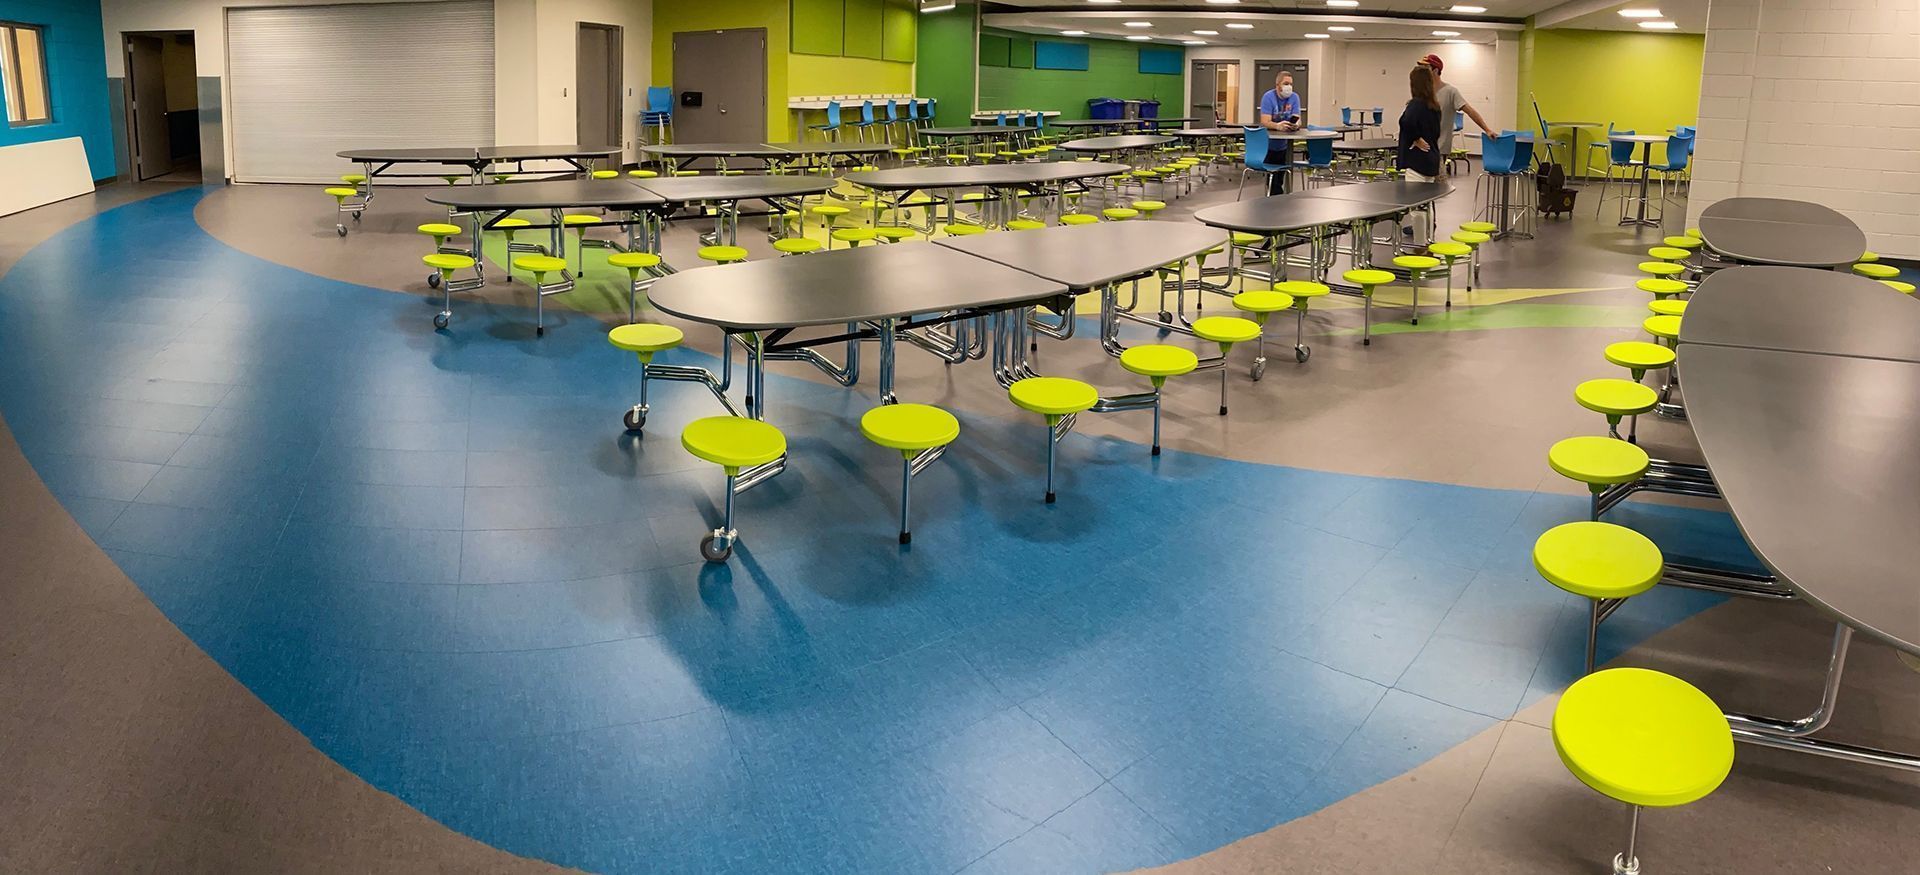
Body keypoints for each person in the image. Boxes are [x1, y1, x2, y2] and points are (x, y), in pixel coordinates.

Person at [1417, 54, 1492, 173]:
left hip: (1439, 149)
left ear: (1435, 71)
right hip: (1421, 148)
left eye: (1425, 68)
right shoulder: (1423, 93)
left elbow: (1470, 111)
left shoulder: (1450, 92)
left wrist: (1487, 129)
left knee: (1437, 186)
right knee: (1422, 188)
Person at [1257, 70, 1303, 194]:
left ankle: (1280, 198)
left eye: (1291, 84)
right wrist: (1277, 126)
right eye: (1286, 83)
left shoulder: (1294, 97)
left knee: (1281, 177)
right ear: (1278, 85)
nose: (1289, 87)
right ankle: (1277, 200)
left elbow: (1297, 118)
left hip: (1285, 146)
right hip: (1269, 145)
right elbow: (1265, 121)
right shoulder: (1268, 97)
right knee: (1273, 180)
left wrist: (1295, 124)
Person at [1397, 65, 1442, 183]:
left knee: (1413, 198)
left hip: (1417, 161)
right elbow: (1436, 132)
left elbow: (1405, 121)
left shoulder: (1416, 104)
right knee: (1426, 198)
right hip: (1431, 159)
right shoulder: (1435, 107)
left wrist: (1416, 138)